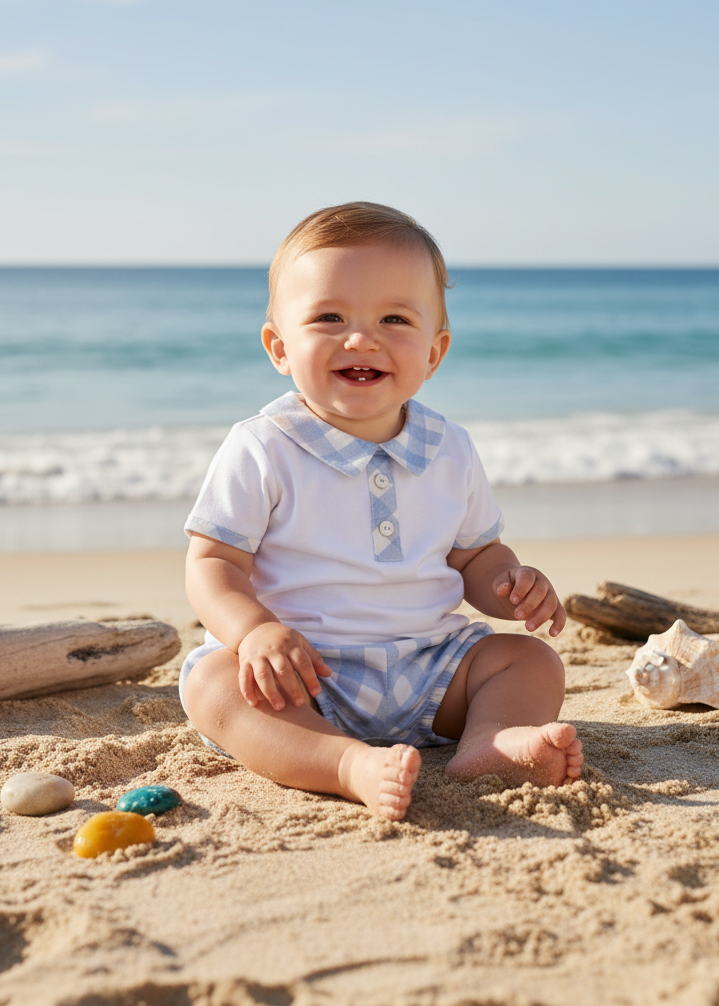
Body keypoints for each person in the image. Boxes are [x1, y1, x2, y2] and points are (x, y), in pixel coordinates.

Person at [180, 201, 583, 822]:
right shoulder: (263, 445)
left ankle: (488, 740)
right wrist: (254, 631)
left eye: (394, 318)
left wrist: (510, 586)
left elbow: (475, 555)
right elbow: (213, 564)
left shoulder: (449, 448)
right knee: (215, 686)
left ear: (434, 352)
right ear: (279, 347)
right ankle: (342, 763)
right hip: (300, 673)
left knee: (529, 662)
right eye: (329, 316)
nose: (361, 337)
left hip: (426, 663)